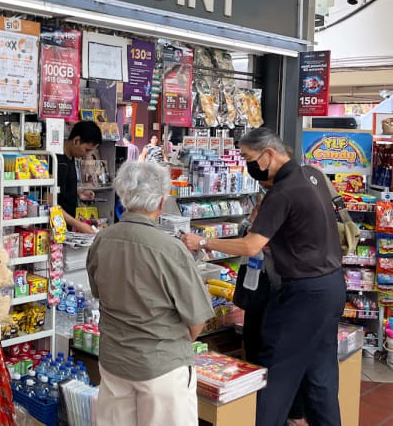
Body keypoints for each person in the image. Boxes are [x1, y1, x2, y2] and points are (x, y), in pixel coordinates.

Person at [181, 128, 345, 426]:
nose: (247, 164)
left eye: (247, 157)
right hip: (332, 287)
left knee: (275, 376)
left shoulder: (282, 192)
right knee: (321, 377)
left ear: (269, 154)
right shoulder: (314, 176)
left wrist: (202, 242)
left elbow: (251, 245)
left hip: (302, 295)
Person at [87, 161, 213, 426]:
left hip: (114, 362)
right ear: (161, 201)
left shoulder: (102, 240)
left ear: (124, 195)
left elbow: (99, 294)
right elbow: (197, 320)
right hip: (162, 366)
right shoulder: (170, 248)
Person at [56, 121, 101, 234]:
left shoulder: (71, 158)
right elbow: (51, 202)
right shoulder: (60, 163)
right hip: (57, 227)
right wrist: (79, 225)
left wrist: (79, 192)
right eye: (87, 150)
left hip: (65, 227)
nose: (87, 155)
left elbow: (62, 188)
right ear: (76, 141)